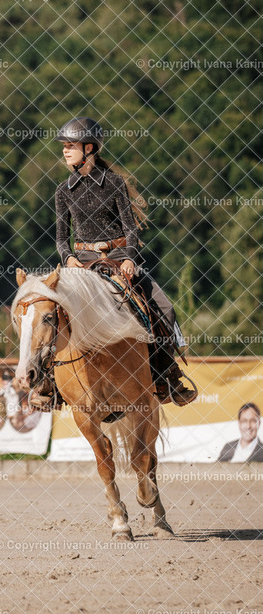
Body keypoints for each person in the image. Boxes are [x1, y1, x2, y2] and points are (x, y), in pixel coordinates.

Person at [54, 116, 197, 406]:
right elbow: (60, 238)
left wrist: (131, 258)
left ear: (89, 148)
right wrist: (68, 258)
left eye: (71, 145)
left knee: (166, 309)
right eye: (64, 146)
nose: (65, 150)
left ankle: (167, 377)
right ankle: (48, 386)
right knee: (50, 313)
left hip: (120, 259)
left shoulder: (115, 183)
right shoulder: (62, 191)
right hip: (82, 264)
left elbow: (131, 229)